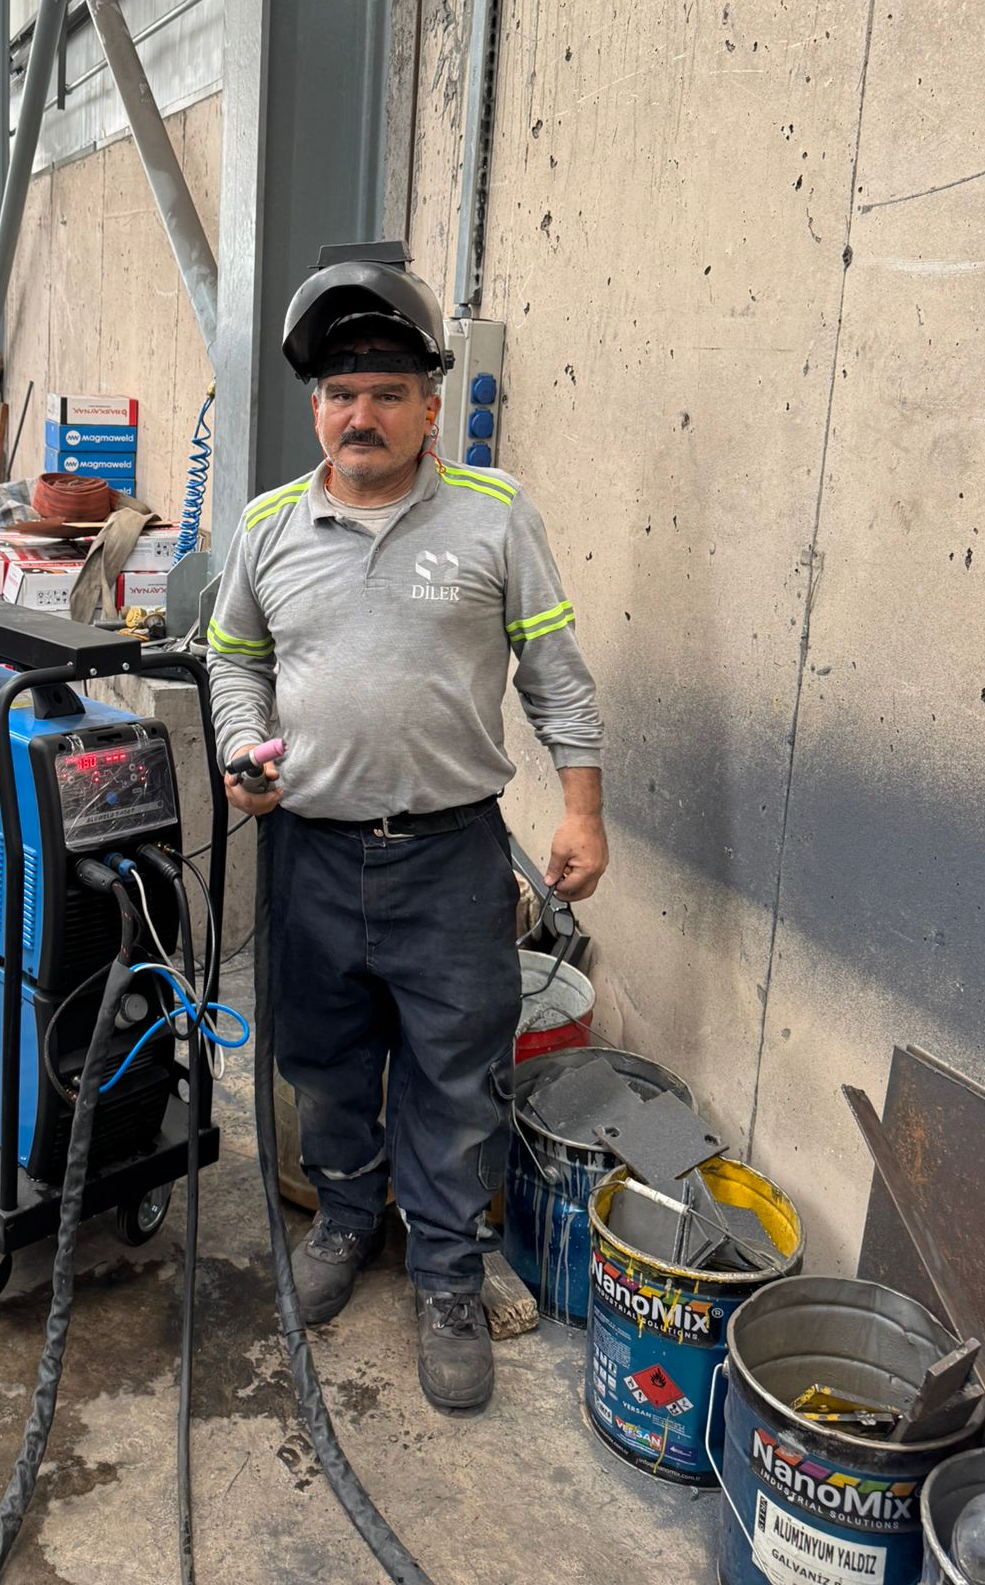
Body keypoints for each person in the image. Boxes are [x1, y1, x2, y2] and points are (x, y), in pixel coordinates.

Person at [207, 250, 606, 1415]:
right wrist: (243, 745)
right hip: (311, 852)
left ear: (433, 405)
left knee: (456, 1073)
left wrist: (583, 807)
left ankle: (445, 1272)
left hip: (449, 857)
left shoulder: (495, 515)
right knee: (324, 1059)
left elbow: (557, 673)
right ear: (314, 408)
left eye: (387, 391)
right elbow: (235, 659)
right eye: (340, 392)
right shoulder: (269, 526)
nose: (361, 414)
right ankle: (343, 1218)